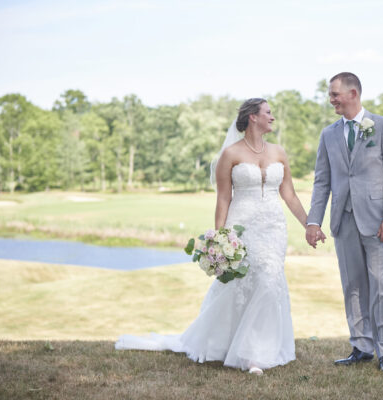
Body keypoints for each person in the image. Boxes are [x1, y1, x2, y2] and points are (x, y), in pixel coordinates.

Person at [116, 98, 317, 375]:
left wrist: (310, 224)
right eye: (268, 113)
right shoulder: (231, 154)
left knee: (270, 281)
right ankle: (245, 353)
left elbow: (290, 195)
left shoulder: (279, 152)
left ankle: (258, 350)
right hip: (241, 226)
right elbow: (223, 198)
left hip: (273, 227)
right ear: (253, 118)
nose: (272, 117)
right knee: (242, 284)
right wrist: (219, 240)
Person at [306, 72, 383, 373]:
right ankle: (361, 346)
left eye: (335, 94)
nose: (331, 99)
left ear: (353, 93)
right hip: (343, 220)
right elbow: (322, 181)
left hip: (378, 222)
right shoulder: (328, 134)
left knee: (380, 286)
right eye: (330, 94)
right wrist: (313, 221)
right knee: (352, 286)